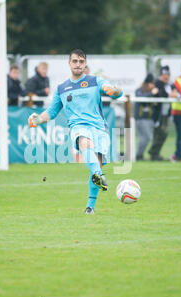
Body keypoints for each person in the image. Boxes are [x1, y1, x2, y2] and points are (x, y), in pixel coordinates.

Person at [27, 49, 123, 215]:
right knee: (85, 143)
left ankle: (90, 207)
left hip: (100, 128)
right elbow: (52, 111)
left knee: (96, 165)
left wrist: (115, 91)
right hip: (78, 127)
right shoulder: (62, 88)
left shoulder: (95, 81)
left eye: (81, 61)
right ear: (69, 63)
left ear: (85, 64)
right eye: (75, 61)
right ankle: (99, 175)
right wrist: (38, 119)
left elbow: (114, 92)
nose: (78, 64)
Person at [149, 65, 178, 161]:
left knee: (161, 134)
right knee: (161, 133)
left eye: (167, 75)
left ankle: (155, 154)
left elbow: (176, 93)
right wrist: (170, 94)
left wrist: (172, 94)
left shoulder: (170, 84)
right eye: (164, 75)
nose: (166, 77)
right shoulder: (157, 83)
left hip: (165, 114)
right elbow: (161, 94)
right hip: (157, 115)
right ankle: (153, 152)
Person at [134, 73, 158, 161]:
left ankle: (140, 155)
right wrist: (151, 93)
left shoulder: (154, 92)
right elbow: (140, 97)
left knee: (145, 139)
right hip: (141, 119)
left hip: (150, 119)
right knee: (146, 138)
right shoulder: (139, 90)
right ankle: (139, 155)